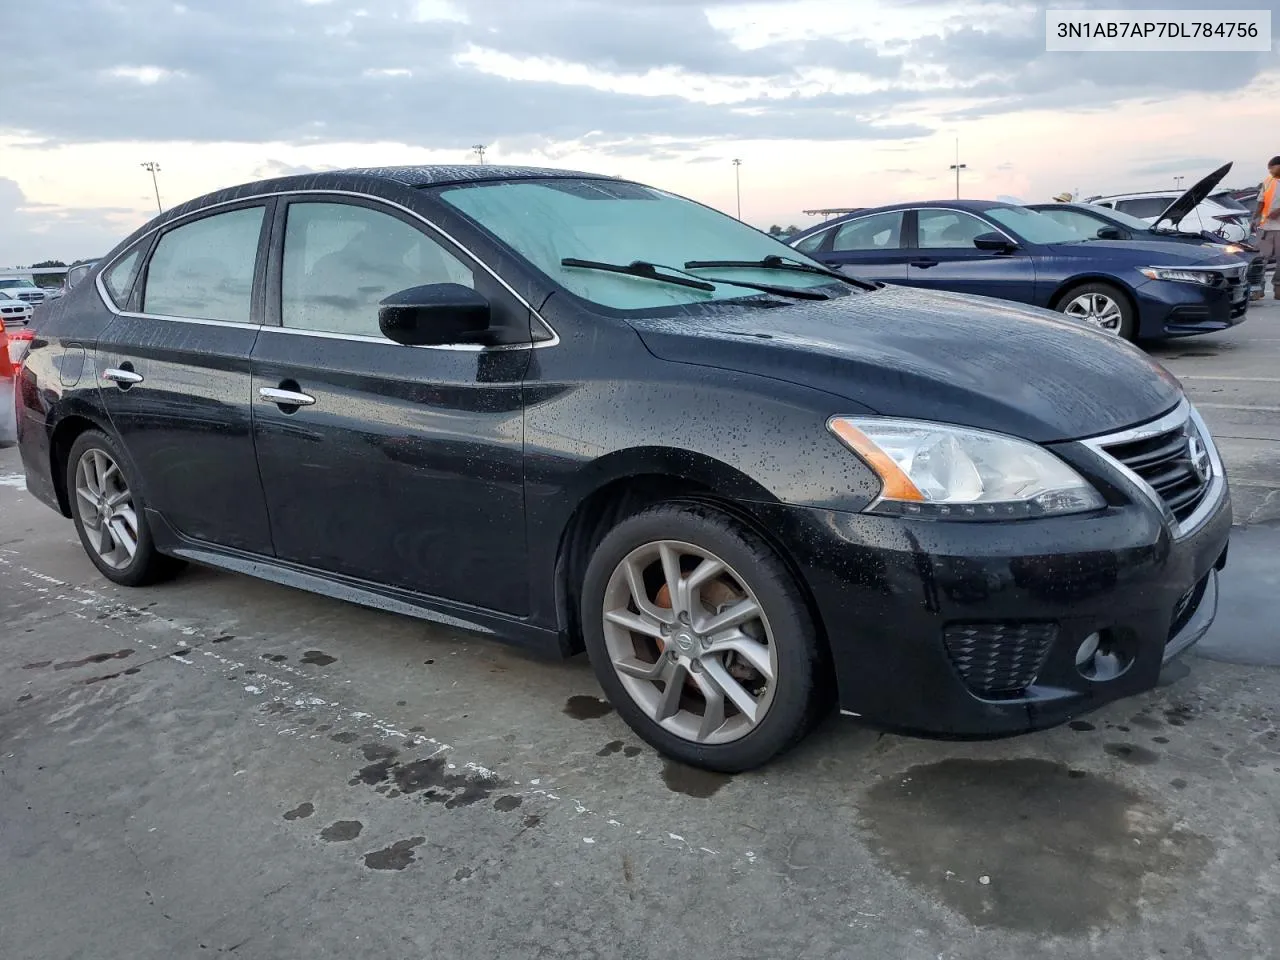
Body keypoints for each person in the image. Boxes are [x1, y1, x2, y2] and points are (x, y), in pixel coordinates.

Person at [1253, 155, 1280, 300]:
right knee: (1260, 259)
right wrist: (1254, 218)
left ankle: (1278, 288)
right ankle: (1258, 289)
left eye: (1272, 168)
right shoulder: (1268, 181)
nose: (1270, 171)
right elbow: (1260, 201)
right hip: (1266, 227)